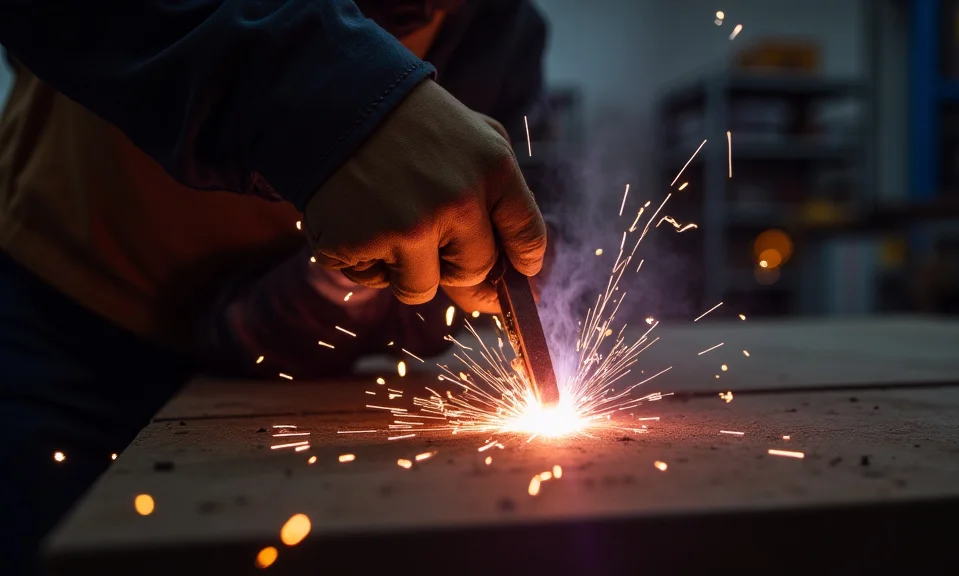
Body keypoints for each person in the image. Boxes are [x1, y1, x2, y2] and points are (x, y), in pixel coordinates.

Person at [0, 1, 548, 571]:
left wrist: (329, 295)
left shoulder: (501, 31)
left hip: (271, 380)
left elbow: (455, 270)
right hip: (59, 321)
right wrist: (350, 104)